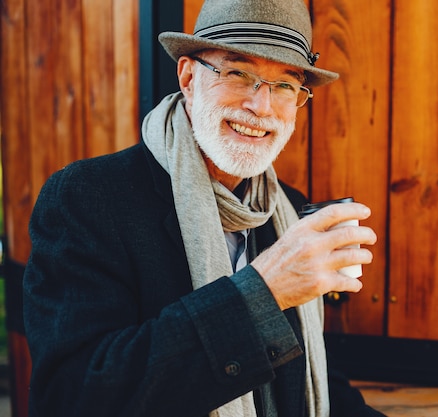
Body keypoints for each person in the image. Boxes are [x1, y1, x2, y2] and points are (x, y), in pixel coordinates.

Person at [23, 0, 385, 416]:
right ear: (189, 78)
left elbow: (313, 378)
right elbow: (73, 395)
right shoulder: (87, 198)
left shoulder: (288, 206)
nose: (261, 106)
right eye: (237, 72)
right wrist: (262, 292)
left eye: (285, 85)